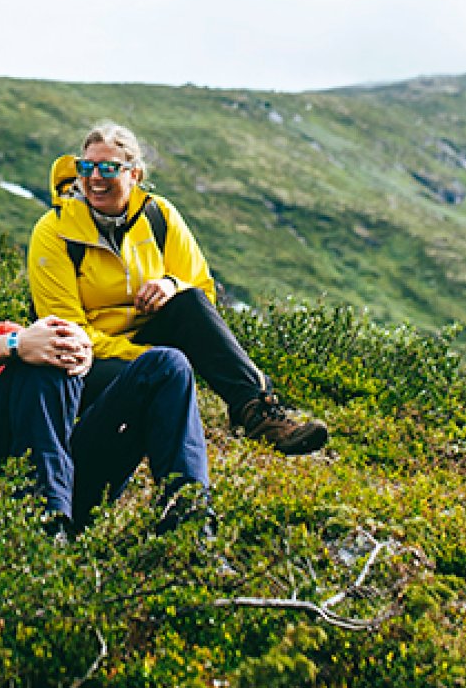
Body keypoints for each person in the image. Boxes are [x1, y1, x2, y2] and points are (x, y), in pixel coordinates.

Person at [0, 205, 210, 533]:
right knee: (39, 356)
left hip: (38, 477)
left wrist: (80, 354)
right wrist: (20, 346)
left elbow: (54, 367)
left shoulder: (2, 333)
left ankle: (190, 527)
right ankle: (46, 526)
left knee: (167, 365)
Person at [29, 122, 329, 455]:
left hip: (150, 346)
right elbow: (67, 334)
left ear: (135, 175)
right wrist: (150, 359)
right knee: (158, 380)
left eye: (109, 168)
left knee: (189, 302)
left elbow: (202, 292)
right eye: (87, 166)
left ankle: (258, 412)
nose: (95, 177)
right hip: (85, 362)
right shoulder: (53, 231)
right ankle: (179, 486)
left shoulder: (160, 215)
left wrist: (171, 285)